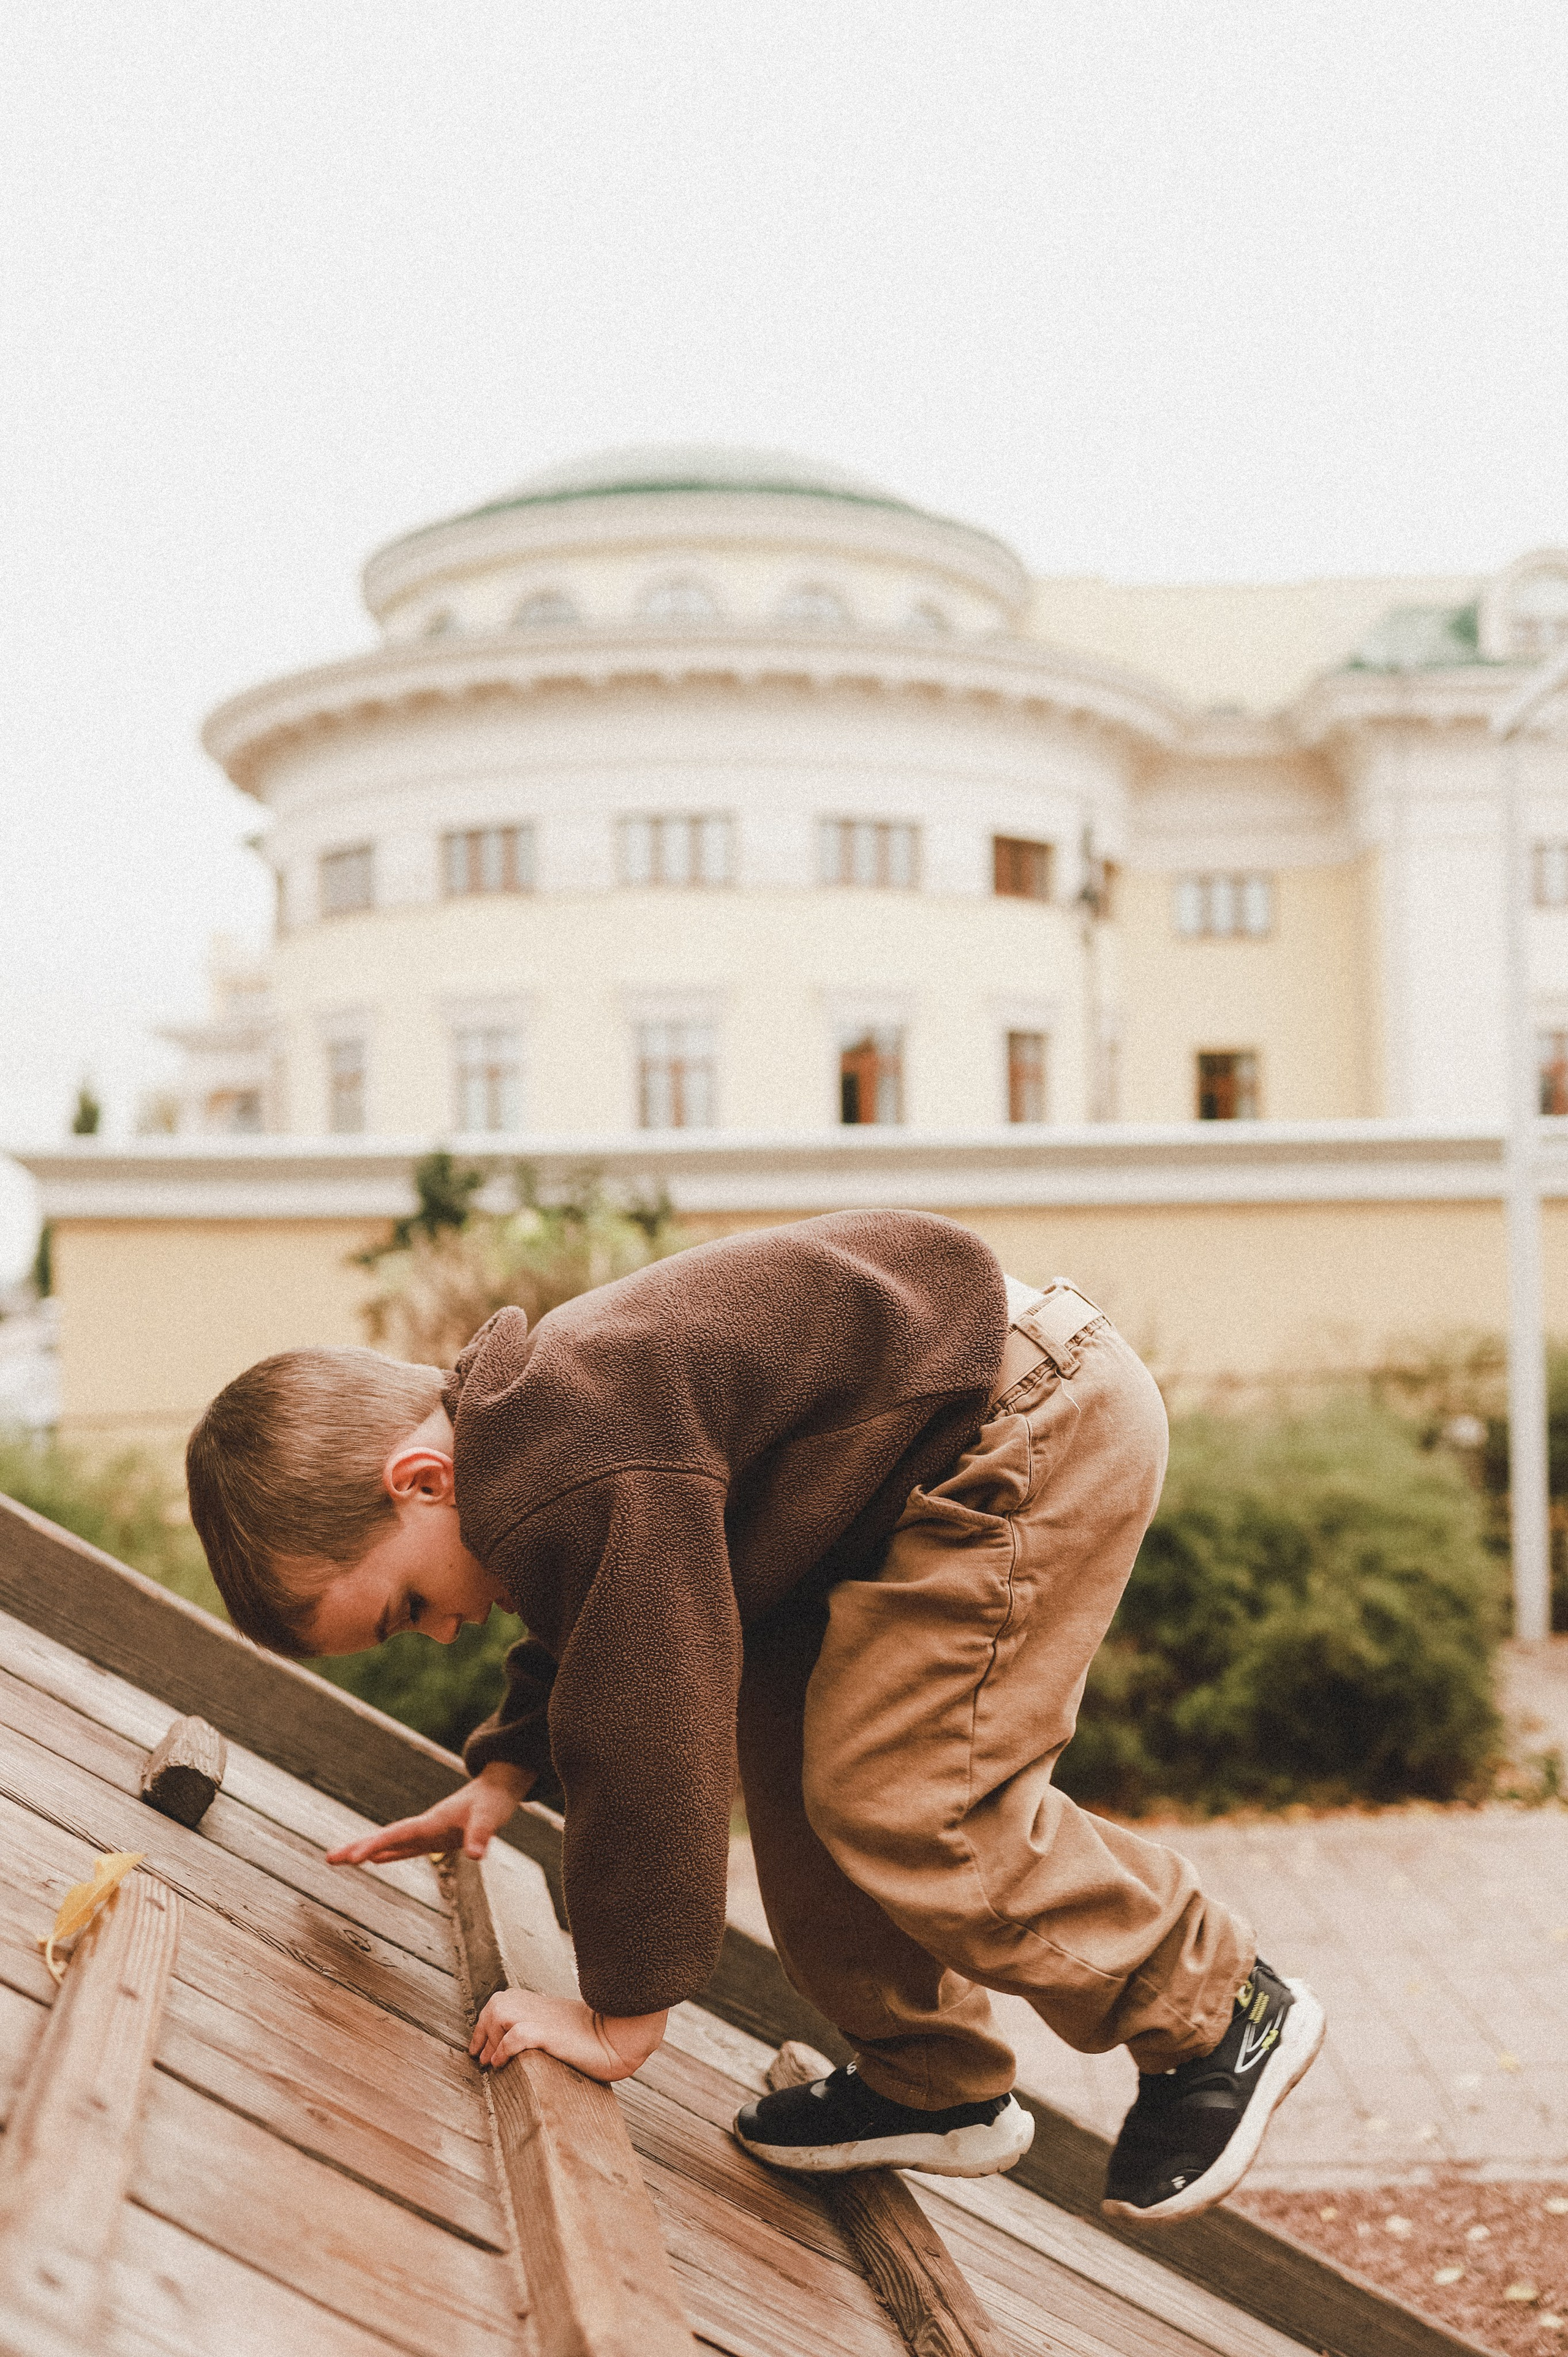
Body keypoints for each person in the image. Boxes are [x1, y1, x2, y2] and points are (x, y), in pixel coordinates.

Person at [185, 1209, 1322, 2220]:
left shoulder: (571, 1460)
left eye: (406, 1608)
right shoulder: (538, 1450)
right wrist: (502, 1773)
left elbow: (645, 1731)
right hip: (914, 1470)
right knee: (802, 1783)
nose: (441, 1631)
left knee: (909, 1793)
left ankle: (1218, 2006)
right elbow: (592, 1622)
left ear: (422, 1481)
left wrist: (621, 2013)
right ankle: (932, 2085)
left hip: (1022, 1415)